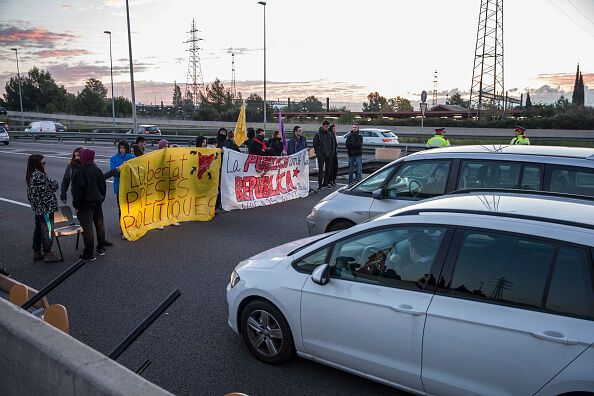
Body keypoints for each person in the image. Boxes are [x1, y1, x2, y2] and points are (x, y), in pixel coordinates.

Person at [72, 149, 111, 261]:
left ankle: (89, 253)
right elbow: (103, 186)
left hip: (85, 204)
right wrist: (101, 198)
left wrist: (76, 205)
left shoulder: (80, 172)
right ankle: (101, 248)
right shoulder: (97, 170)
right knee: (99, 225)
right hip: (97, 202)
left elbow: (77, 192)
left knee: (87, 228)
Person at [26, 154, 60, 262]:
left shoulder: (30, 175)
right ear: (38, 164)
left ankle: (37, 251)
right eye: (43, 163)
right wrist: (54, 183)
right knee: (48, 230)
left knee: (38, 229)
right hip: (46, 207)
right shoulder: (39, 175)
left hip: (38, 208)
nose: (44, 165)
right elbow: (53, 185)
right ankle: (48, 253)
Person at [109, 140, 135, 228]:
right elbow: (114, 172)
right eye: (120, 147)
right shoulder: (114, 158)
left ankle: (131, 224)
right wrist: (121, 169)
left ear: (127, 148)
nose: (121, 149)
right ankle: (123, 226)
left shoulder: (132, 157)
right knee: (122, 207)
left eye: (123, 147)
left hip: (130, 186)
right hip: (120, 186)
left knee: (131, 207)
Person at [313, 120, 336, 190]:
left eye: (328, 126)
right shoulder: (318, 134)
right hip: (321, 156)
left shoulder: (330, 134)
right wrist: (319, 154)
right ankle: (320, 185)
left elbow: (333, 145)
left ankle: (325, 184)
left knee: (328, 170)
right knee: (320, 171)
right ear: (323, 126)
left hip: (329, 155)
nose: (327, 128)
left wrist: (331, 154)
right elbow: (315, 145)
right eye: (326, 126)